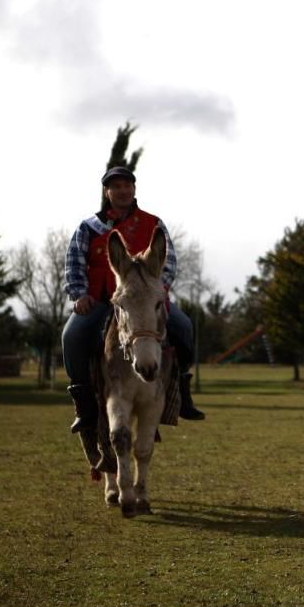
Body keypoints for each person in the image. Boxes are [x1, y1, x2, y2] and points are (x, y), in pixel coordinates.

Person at [62, 166, 205, 437]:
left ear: (134, 189)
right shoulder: (88, 228)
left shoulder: (154, 223)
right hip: (100, 300)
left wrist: (156, 289)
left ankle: (183, 393)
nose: (123, 190)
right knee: (72, 336)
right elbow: (74, 263)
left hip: (145, 301)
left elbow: (169, 260)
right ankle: (84, 405)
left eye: (127, 185)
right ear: (107, 192)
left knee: (184, 327)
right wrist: (79, 294)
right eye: (116, 186)